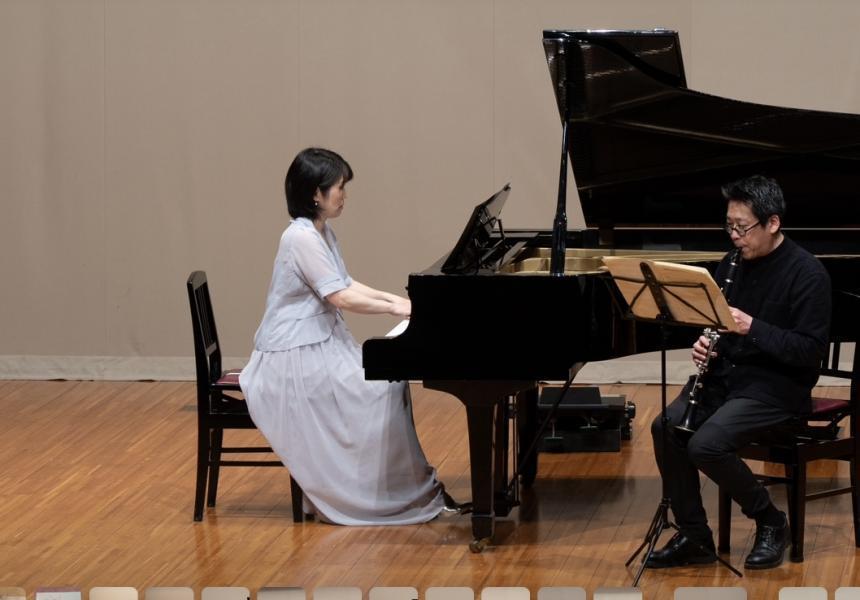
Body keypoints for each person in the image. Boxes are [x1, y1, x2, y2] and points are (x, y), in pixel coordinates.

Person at [239, 147, 448, 525]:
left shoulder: (321, 232)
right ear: (315, 194)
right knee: (379, 389)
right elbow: (340, 297)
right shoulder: (299, 238)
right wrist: (396, 308)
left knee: (388, 383)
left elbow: (345, 282)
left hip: (319, 341)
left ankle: (382, 485)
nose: (344, 195)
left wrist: (397, 301)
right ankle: (366, 491)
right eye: (339, 188)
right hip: (294, 353)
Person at [646, 174, 831, 570]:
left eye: (742, 228)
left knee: (705, 445)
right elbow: (719, 324)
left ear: (773, 223)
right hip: (728, 378)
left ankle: (771, 520)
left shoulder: (808, 274)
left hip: (776, 385)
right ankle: (695, 536)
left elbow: (809, 351)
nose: (734, 236)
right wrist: (707, 345)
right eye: (729, 225)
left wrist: (753, 327)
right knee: (666, 427)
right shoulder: (730, 264)